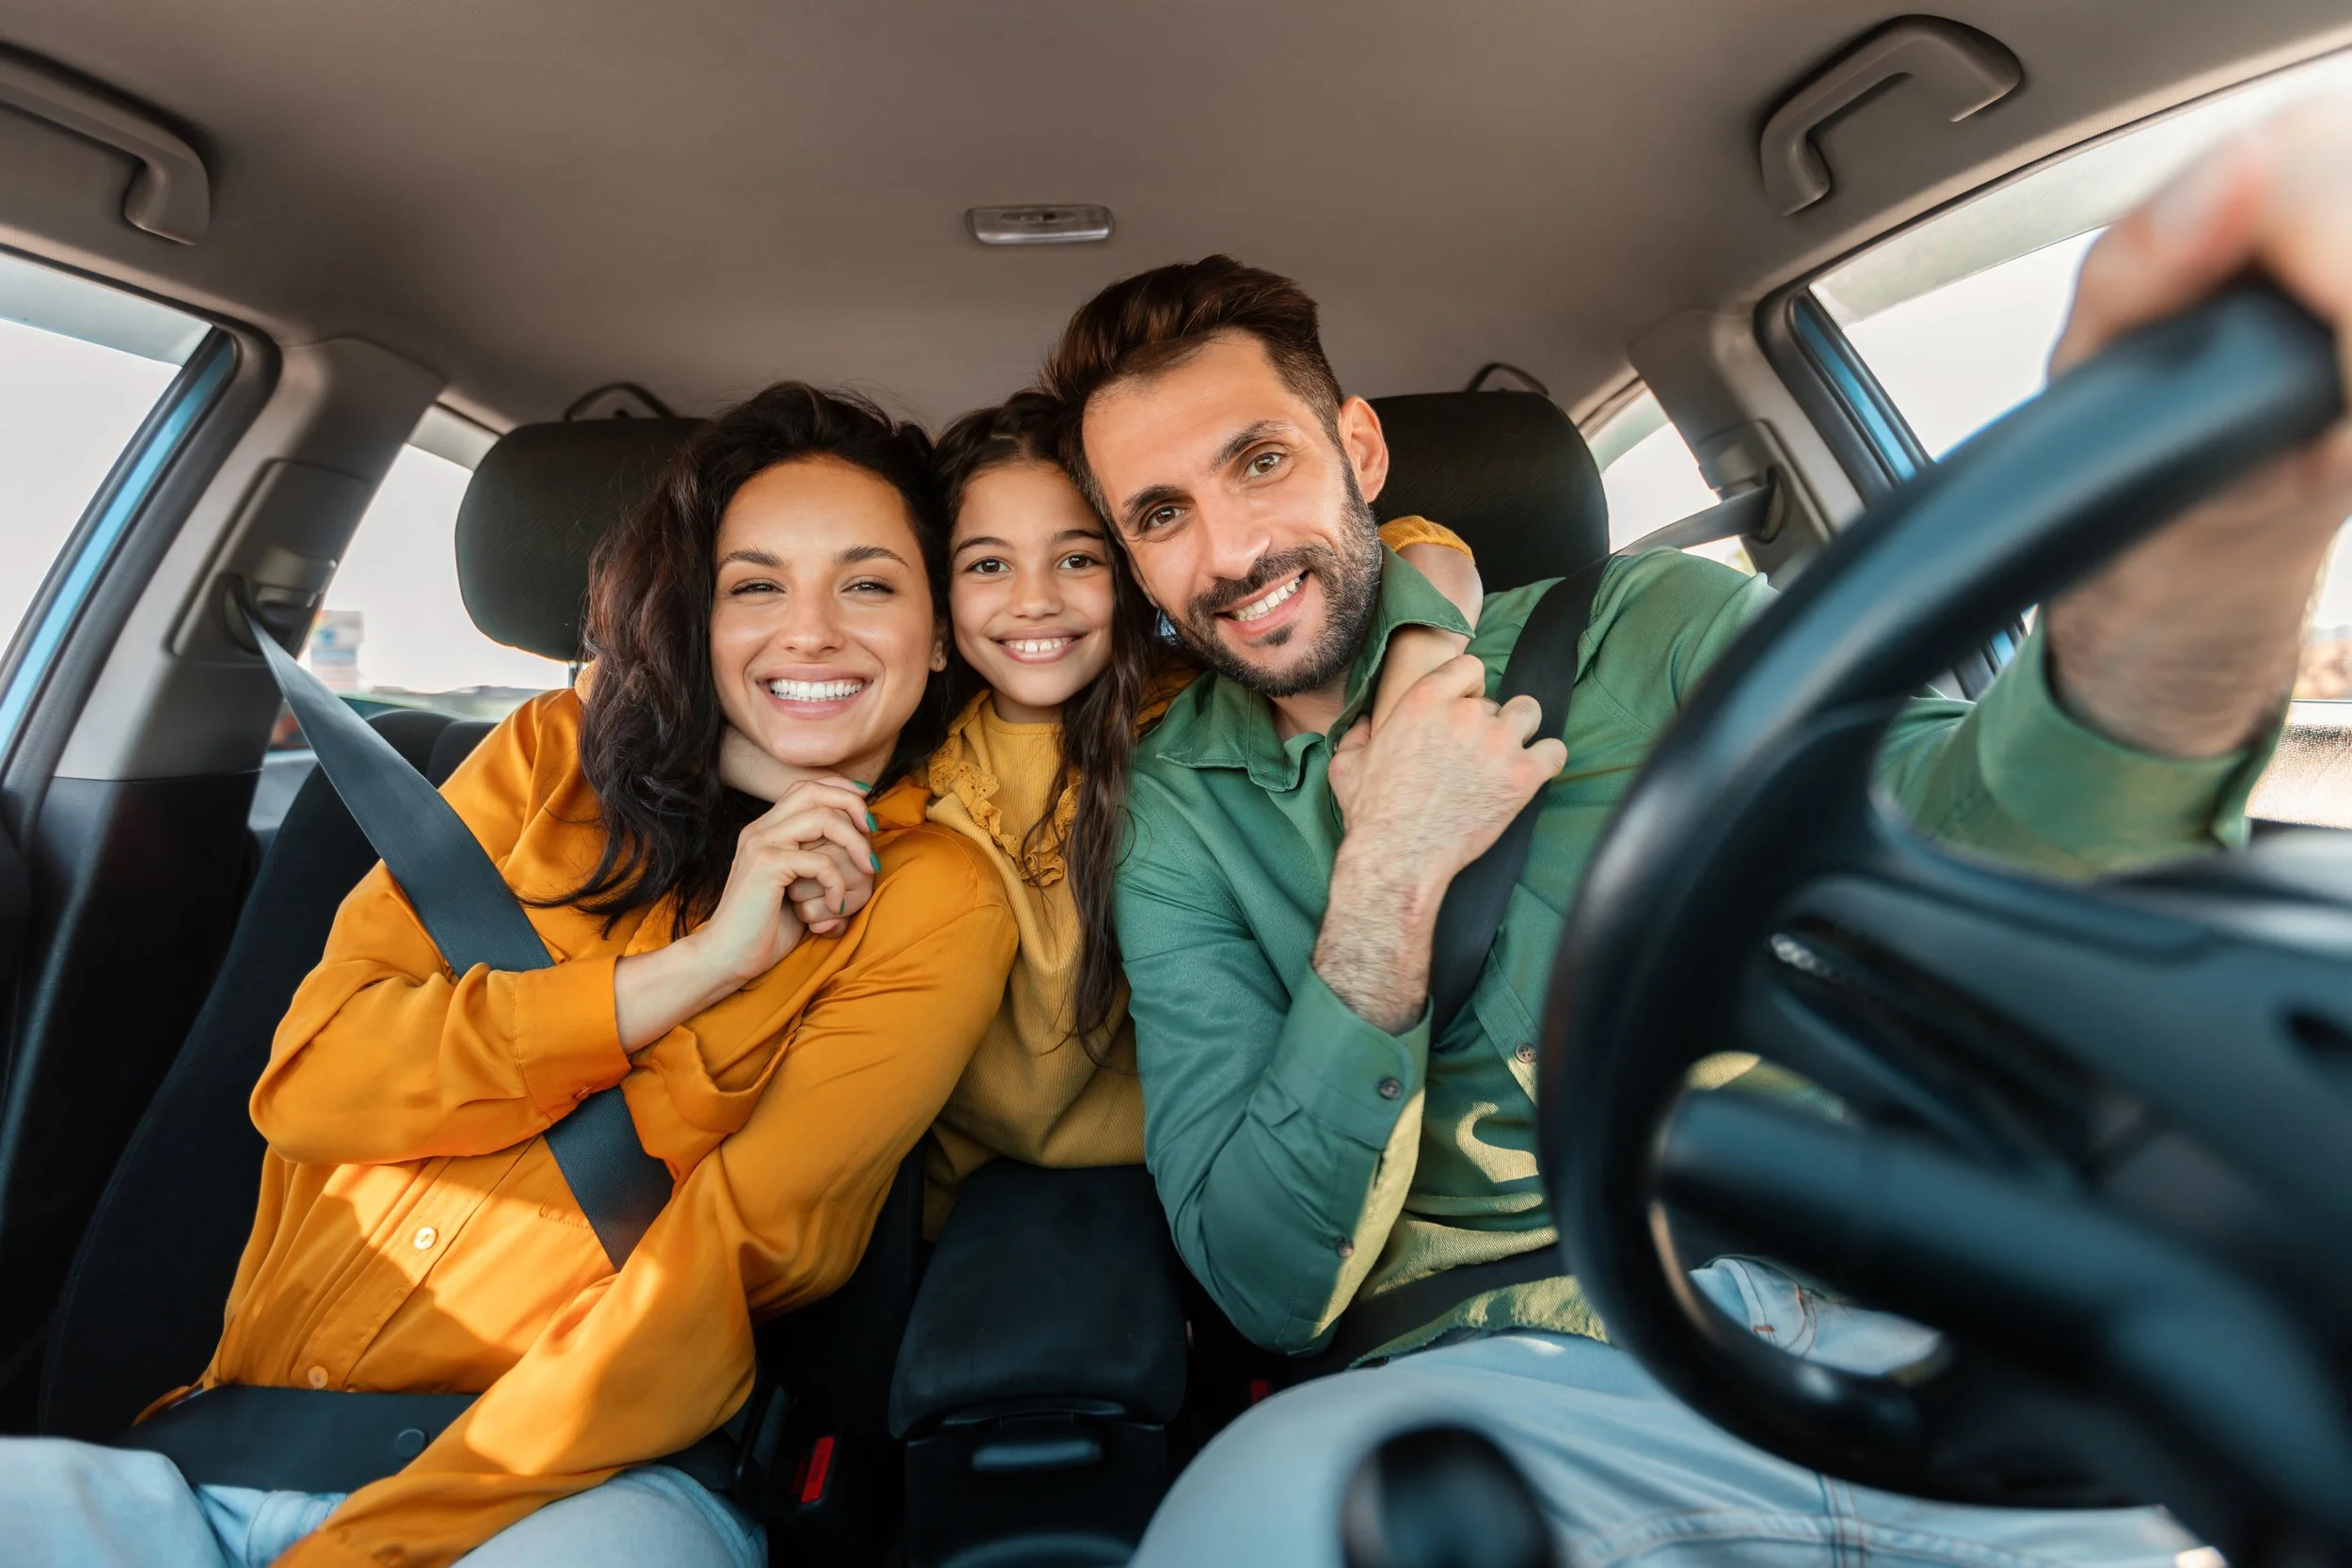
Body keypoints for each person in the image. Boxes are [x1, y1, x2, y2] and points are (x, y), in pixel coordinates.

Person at [1041, 98, 2352, 1566]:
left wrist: (2173, 578)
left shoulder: (1653, 628)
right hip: (1505, 1395)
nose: (1228, 552)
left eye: (1261, 462)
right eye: (1160, 513)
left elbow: (1988, 852)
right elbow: (1264, 1279)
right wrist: (1390, 876)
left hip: (1908, 1309)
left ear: (1358, 445)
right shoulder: (1178, 810)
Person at [0, 384, 1018, 1568]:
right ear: (696, 617)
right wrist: (700, 965)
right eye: (754, 585)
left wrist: (365, 1547)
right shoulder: (540, 759)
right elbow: (313, 1087)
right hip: (223, 1452)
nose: (811, 631)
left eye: (869, 583)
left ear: (938, 631)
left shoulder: (931, 894)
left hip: (576, 1490)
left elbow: (725, 1267)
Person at [725, 388, 1484, 1231]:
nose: (1035, 599)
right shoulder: (922, 766)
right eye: (987, 565)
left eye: (1077, 559)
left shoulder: (1202, 715)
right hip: (973, 1209)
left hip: (1211, 1176)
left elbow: (1420, 546)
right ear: (938, 608)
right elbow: (760, 745)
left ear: (1132, 575)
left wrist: (1418, 671)